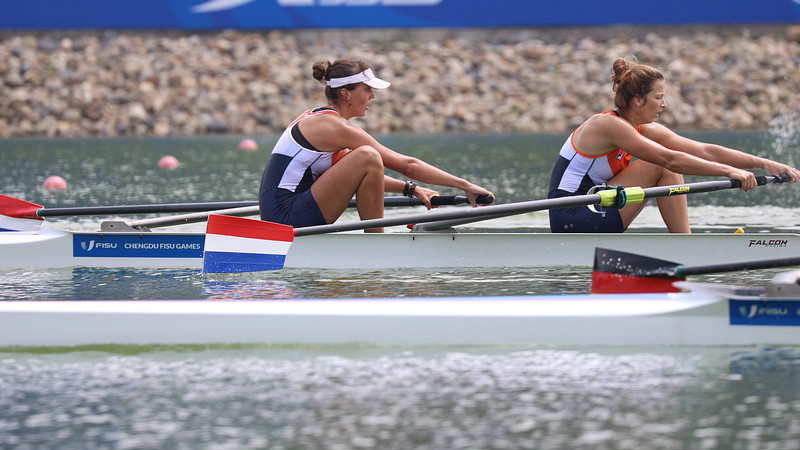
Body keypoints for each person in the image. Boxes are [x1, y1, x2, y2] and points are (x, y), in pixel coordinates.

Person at [548, 56, 800, 233]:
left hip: (597, 207)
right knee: (663, 166)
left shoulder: (642, 129)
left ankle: (683, 243)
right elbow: (670, 160)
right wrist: (728, 172)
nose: (664, 104)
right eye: (658, 97)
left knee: (668, 162)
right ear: (637, 100)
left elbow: (705, 150)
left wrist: (766, 163)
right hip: (570, 215)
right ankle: (685, 245)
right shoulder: (606, 125)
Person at [259, 57, 494, 233]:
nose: (372, 97)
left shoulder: (320, 120)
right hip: (285, 219)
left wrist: (411, 189)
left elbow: (359, 176)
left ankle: (375, 243)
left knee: (365, 159)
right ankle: (376, 245)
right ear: (346, 93)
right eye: (367, 89)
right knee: (368, 156)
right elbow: (407, 165)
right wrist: (465, 185)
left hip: (285, 213)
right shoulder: (333, 127)